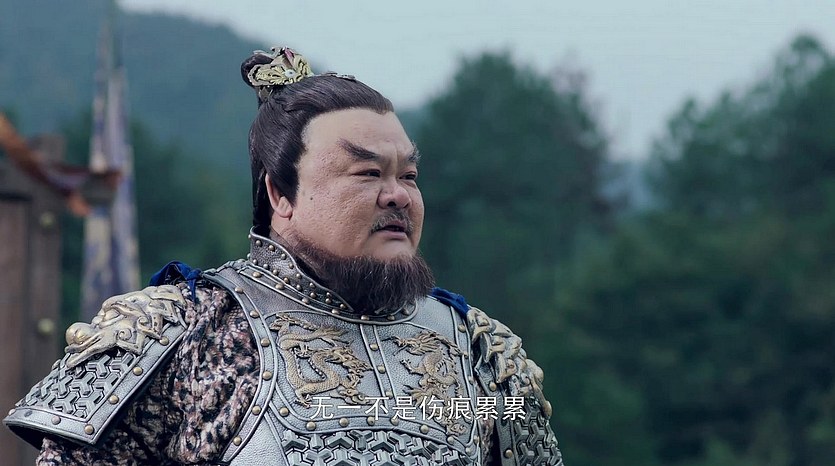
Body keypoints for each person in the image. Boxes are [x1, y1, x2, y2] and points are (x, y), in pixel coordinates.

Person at [4, 47, 565, 465]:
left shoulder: (485, 356)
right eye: (368, 172)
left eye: (410, 176)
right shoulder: (178, 334)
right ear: (280, 194)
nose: (397, 195)